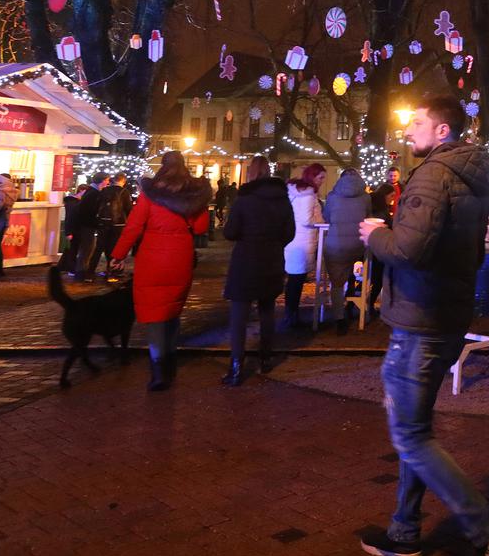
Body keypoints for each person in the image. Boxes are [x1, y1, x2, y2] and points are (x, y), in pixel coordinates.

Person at [356, 96, 489, 556]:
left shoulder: (432, 176)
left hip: (420, 319)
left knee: (410, 436)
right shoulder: (474, 176)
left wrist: (376, 233)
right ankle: (403, 533)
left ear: (442, 128)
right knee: (417, 428)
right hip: (448, 315)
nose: (408, 130)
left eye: (417, 122)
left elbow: (409, 250)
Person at [110, 151, 212, 391]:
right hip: (180, 256)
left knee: (155, 314)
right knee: (172, 310)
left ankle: (158, 370)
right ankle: (170, 362)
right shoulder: (192, 194)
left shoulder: (151, 194)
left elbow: (134, 226)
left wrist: (118, 255)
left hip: (152, 258)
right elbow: (200, 228)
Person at [221, 157, 295, 386]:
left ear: (251, 173)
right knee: (267, 310)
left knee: (239, 315)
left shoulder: (244, 199)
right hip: (271, 260)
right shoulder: (282, 200)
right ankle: (265, 357)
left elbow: (230, 232)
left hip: (246, 260)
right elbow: (289, 232)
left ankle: (236, 365)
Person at [323, 167, 371, 332]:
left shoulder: (332, 196)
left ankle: (339, 317)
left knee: (336, 282)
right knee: (356, 270)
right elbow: (368, 217)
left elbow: (327, 217)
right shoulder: (365, 197)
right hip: (357, 245)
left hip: (335, 245)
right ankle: (353, 303)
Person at [283, 163, 327, 328]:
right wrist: (322, 222)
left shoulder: (297, 192)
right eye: (320, 177)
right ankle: (291, 316)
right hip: (302, 241)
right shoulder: (308, 195)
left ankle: (291, 314)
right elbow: (307, 219)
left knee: (294, 280)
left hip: (295, 240)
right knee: (296, 281)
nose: (322, 181)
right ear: (312, 176)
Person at [82, 173, 129, 278]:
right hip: (118, 224)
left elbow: (98, 206)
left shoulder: (104, 190)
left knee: (99, 248)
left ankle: (90, 273)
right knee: (113, 249)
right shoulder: (124, 192)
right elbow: (128, 209)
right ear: (123, 181)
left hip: (103, 223)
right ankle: (111, 272)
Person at [367, 166, 401, 311]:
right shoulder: (381, 211)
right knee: (378, 277)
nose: (393, 200)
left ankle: (364, 303)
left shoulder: (376, 206)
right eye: (391, 196)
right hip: (377, 248)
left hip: (372, 247)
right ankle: (369, 303)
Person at [66, 174, 106, 276]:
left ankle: (82, 269)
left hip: (86, 224)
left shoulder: (91, 192)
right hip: (88, 225)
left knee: (87, 248)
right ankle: (82, 270)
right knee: (87, 248)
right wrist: (96, 221)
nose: (107, 183)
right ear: (102, 181)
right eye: (107, 180)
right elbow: (89, 211)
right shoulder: (94, 193)